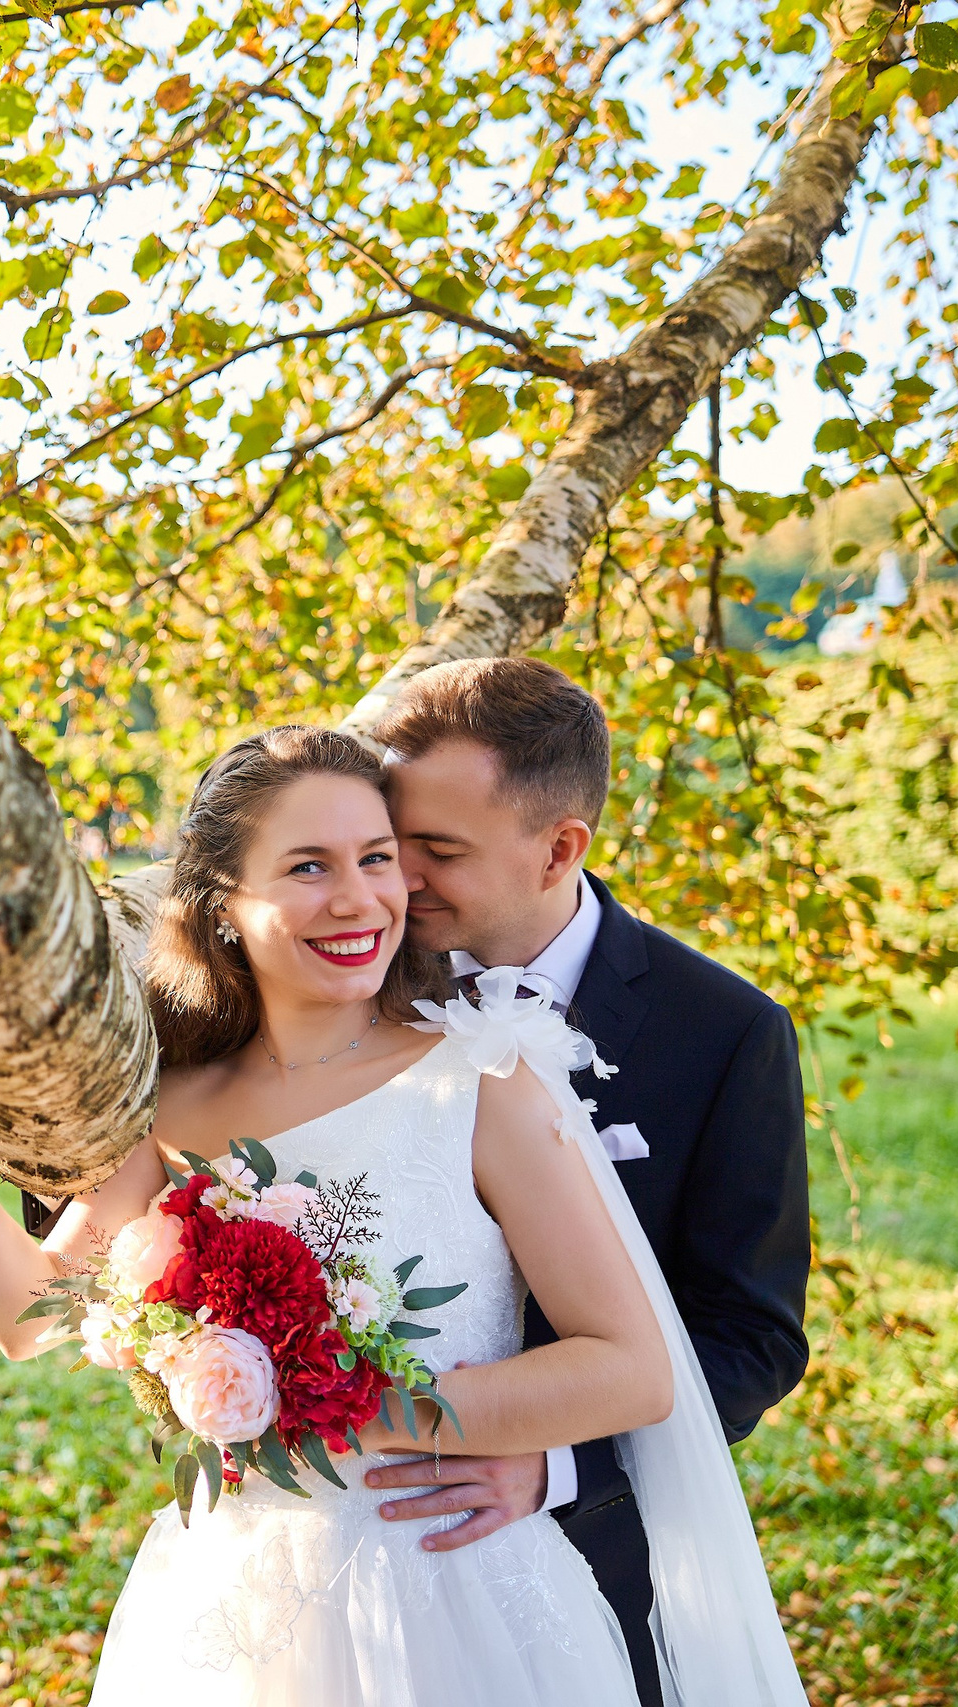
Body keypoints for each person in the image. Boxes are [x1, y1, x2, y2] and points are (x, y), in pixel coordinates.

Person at [0, 726, 808, 1704]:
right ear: (221, 902)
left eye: (376, 858)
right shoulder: (171, 1105)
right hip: (237, 1605)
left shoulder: (482, 1080)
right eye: (306, 866)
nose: (358, 897)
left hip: (455, 1594)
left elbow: (630, 1369)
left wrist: (363, 1412)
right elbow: (30, 1316)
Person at [363, 659, 811, 1707]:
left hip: (585, 1554)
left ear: (560, 846)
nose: (395, 879)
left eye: (436, 851)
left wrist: (557, 1463)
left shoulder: (725, 1033)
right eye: (392, 841)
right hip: (354, 1539)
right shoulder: (343, 981)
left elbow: (750, 1335)